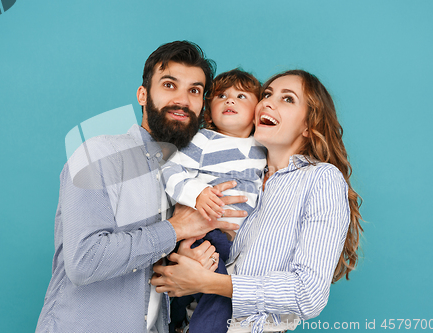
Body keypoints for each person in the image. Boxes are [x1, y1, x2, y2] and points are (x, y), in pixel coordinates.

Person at [35, 41, 247, 333]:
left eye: (194, 90)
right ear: (143, 95)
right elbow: (85, 260)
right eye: (169, 85)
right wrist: (175, 229)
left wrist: (187, 266)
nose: (182, 100)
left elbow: (155, 280)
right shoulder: (98, 155)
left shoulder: (194, 179)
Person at [152, 70, 363, 333]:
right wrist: (187, 257)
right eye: (266, 94)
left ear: (309, 125)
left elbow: (308, 295)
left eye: (288, 99)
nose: (268, 103)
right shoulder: (240, 170)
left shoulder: (320, 178)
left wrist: (206, 281)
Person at [162, 69, 266, 333]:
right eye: (221, 96)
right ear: (209, 111)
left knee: (213, 291)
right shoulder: (204, 139)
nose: (230, 100)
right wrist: (197, 194)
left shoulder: (263, 147)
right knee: (218, 291)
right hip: (205, 233)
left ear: (258, 111)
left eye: (241, 96)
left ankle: (179, 323)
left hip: (238, 245)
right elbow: (170, 171)